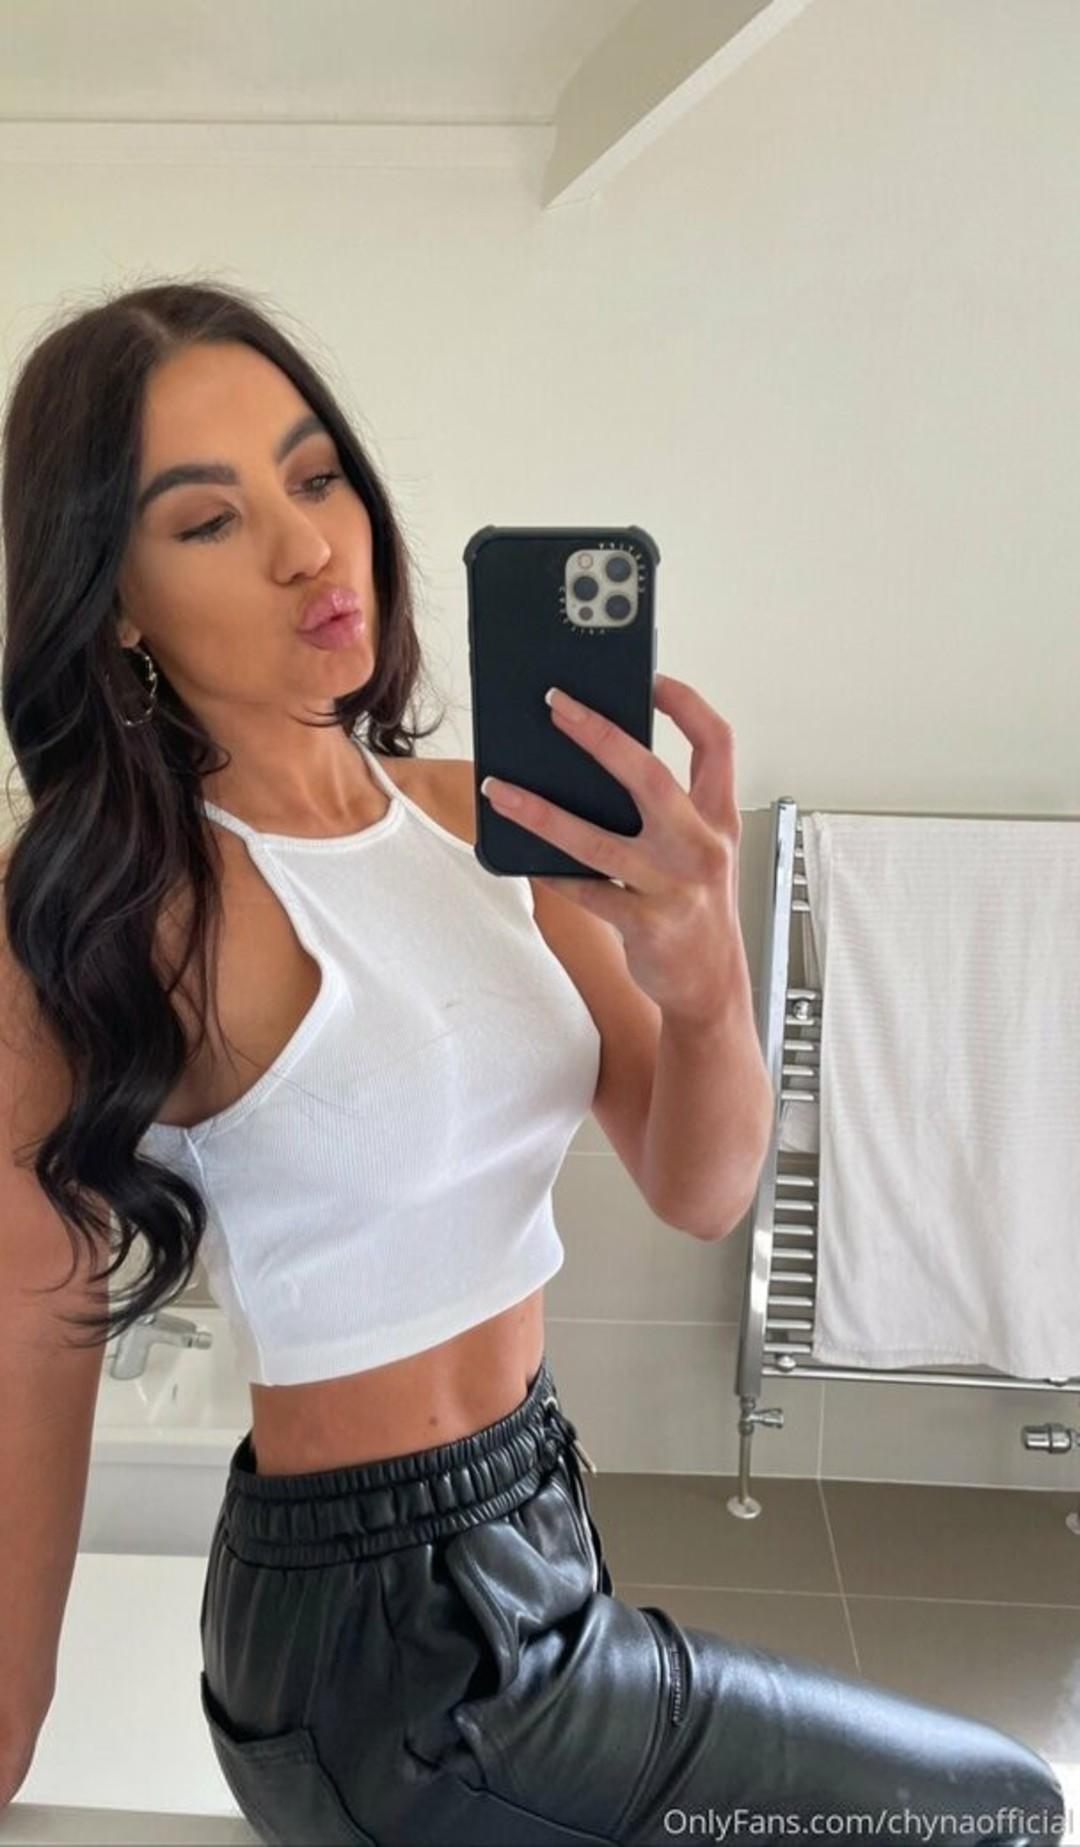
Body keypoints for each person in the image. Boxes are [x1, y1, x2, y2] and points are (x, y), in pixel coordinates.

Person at [0, 280, 1066, 1844]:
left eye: (316, 477)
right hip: (379, 1655)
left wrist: (704, 982)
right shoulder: (101, 919)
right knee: (999, 1811)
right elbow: (29, 1347)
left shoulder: (481, 818)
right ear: (113, 603)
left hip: (536, 1525)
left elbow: (699, 1187)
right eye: (209, 521)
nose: (309, 549)